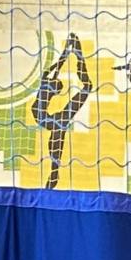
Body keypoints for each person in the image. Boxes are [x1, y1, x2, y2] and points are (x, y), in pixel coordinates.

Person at [31, 34, 92, 190]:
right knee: (60, 125)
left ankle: (54, 169)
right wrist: (74, 50)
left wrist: (71, 49)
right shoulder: (48, 81)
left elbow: (60, 63)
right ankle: (55, 168)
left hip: (46, 116)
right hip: (41, 115)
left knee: (60, 126)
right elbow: (59, 63)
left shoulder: (49, 79)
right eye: (58, 88)